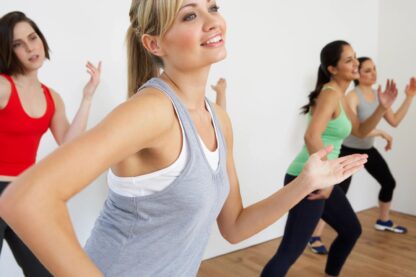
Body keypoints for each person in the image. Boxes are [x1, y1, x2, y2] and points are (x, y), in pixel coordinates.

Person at [0, 2, 367, 276]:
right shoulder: (152, 110)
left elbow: (235, 226)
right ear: (154, 43)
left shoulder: (218, 119)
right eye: (190, 15)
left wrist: (305, 183)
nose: (212, 21)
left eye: (212, 7)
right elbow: (24, 199)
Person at [261, 41, 397, 277]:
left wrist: (382, 108)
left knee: (351, 230)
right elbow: (311, 136)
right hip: (308, 178)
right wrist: (326, 181)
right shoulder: (330, 94)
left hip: (321, 179)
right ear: (332, 68)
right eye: (348, 60)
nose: (355, 63)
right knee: (290, 251)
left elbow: (361, 132)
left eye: (355, 58)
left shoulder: (341, 97)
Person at [0, 11, 101, 276]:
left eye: (32, 37)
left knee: (44, 270)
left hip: (26, 194)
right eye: (17, 44)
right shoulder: (3, 87)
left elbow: (69, 147)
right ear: (7, 52)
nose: (30, 47)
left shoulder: (51, 98)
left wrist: (87, 97)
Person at [308, 57, 414, 254]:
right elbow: (353, 130)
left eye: (374, 69)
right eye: (367, 70)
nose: (373, 73)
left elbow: (395, 121)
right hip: (348, 150)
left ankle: (383, 220)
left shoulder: (378, 95)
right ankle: (314, 235)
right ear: (358, 75)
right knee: (336, 195)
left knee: (388, 182)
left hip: (367, 150)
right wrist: (379, 132)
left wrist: (409, 96)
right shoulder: (351, 97)